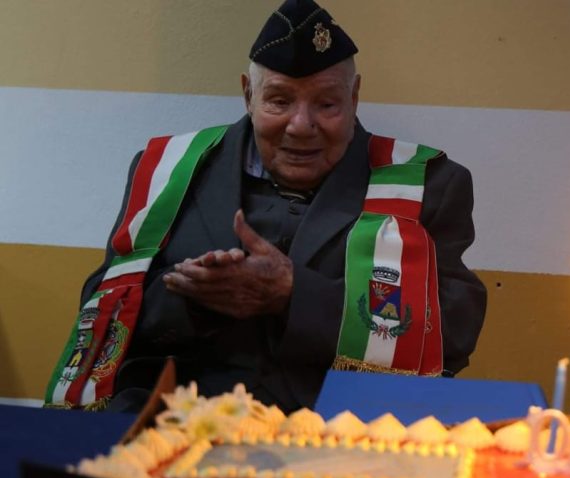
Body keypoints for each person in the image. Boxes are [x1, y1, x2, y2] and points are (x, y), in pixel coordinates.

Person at [46, 0, 486, 413]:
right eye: (279, 100)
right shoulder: (166, 170)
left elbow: (453, 333)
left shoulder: (427, 184)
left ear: (354, 98)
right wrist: (195, 300)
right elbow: (102, 316)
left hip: (340, 433)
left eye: (327, 104)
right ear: (247, 96)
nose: (301, 125)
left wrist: (295, 294)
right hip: (175, 423)